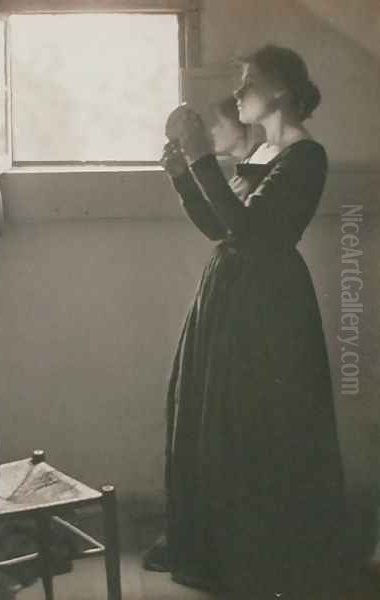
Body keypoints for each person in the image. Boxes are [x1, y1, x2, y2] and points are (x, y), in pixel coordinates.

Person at [143, 44, 350, 600]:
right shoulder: (263, 150)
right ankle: (216, 543)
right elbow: (221, 227)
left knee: (256, 422)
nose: (237, 94)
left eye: (248, 82)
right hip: (230, 291)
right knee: (217, 414)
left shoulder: (306, 156)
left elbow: (252, 231)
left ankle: (260, 553)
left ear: (279, 89)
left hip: (268, 302)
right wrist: (184, 175)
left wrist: (200, 156)